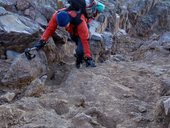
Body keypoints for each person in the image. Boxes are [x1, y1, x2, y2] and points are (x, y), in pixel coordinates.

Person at [31, 0, 105, 68]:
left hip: (80, 30)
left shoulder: (80, 20)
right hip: (73, 32)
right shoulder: (57, 15)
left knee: (80, 51)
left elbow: (85, 40)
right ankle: (79, 58)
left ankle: (78, 63)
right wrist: (42, 41)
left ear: (69, 21)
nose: (64, 27)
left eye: (65, 25)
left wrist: (88, 57)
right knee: (76, 42)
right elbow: (49, 29)